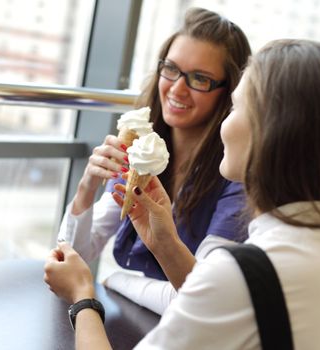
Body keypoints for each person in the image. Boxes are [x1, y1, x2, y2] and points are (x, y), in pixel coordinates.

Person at [44, 39, 320, 349]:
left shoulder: (239, 274)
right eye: (170, 69)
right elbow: (75, 251)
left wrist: (85, 297)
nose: (178, 89)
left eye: (235, 106)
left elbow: (214, 291)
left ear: (269, 134)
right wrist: (163, 240)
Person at [57, 7, 252, 314]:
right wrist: (86, 189)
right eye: (171, 69)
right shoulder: (142, 151)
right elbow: (71, 258)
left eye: (199, 79)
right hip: (145, 319)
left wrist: (114, 279)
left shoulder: (237, 176)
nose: (176, 88)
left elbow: (207, 295)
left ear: (228, 92)